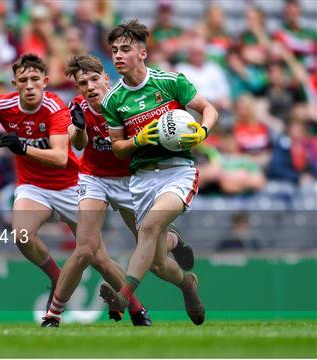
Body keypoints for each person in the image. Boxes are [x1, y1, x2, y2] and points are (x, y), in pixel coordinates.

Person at [40, 54, 196, 327]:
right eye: (82, 83)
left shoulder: (124, 102)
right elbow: (78, 144)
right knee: (85, 249)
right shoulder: (78, 105)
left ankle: (176, 254)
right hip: (94, 178)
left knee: (158, 263)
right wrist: (77, 127)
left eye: (93, 79)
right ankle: (52, 316)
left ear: (106, 78)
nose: (89, 87)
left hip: (129, 180)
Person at [0, 53, 126, 315]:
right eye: (22, 80)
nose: (29, 84)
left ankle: (137, 308)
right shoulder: (6, 104)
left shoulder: (55, 107)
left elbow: (60, 158)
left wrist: (23, 148)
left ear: (45, 81)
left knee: (98, 258)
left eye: (35, 79)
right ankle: (57, 277)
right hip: (33, 186)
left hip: (71, 184)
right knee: (21, 234)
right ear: (14, 84)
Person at [100, 20, 219, 326]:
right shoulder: (113, 100)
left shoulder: (169, 82)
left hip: (178, 171)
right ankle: (187, 284)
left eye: (125, 49)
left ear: (142, 52)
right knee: (155, 263)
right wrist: (138, 139)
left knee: (150, 228)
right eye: (114, 50)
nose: (117, 55)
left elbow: (210, 109)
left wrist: (202, 132)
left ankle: (123, 296)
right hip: (142, 180)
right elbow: (117, 148)